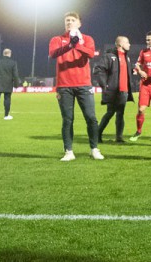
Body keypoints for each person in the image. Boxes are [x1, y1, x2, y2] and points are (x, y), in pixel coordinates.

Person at [49, 12, 104, 161]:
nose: (69, 22)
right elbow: (53, 54)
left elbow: (91, 54)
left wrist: (77, 45)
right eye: (67, 20)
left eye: (73, 20)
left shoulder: (87, 39)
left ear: (79, 23)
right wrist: (69, 45)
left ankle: (94, 149)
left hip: (84, 85)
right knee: (67, 119)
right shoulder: (57, 39)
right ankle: (68, 151)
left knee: (91, 118)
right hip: (64, 86)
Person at [92, 36, 137, 143]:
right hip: (112, 91)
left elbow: (124, 70)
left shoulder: (127, 57)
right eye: (127, 42)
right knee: (110, 113)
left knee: (120, 114)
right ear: (120, 44)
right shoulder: (109, 56)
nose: (129, 44)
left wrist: (133, 71)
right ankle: (97, 134)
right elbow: (98, 69)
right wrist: (104, 85)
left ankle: (119, 137)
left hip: (124, 91)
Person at [0, 47, 20, 120]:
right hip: (8, 84)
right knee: (7, 99)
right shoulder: (13, 63)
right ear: (10, 54)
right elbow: (15, 74)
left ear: (3, 54)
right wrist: (16, 85)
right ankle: (6, 115)